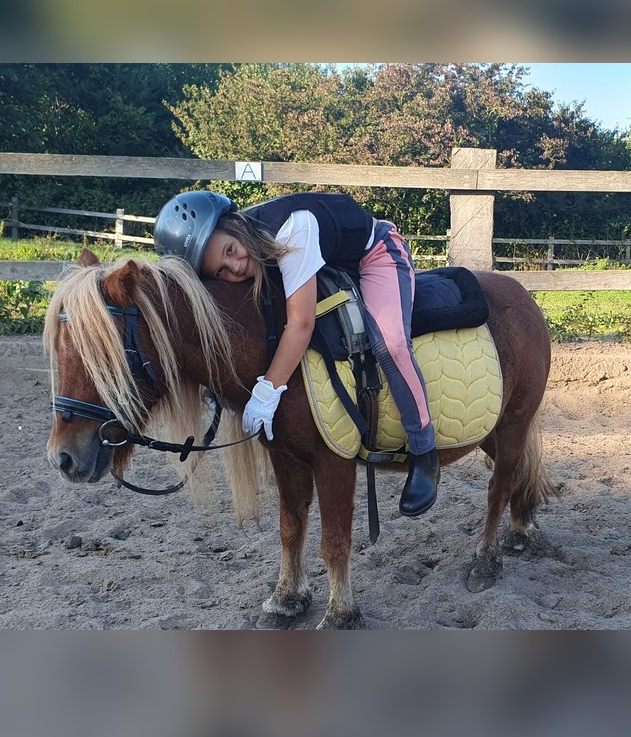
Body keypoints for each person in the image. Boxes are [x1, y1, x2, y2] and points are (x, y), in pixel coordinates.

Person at [153, 190, 439, 517]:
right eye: (221, 272)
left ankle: (424, 450)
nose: (236, 266)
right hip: (331, 262)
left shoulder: (291, 228)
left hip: (374, 254)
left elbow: (301, 323)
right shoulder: (245, 251)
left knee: (391, 343)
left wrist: (268, 390)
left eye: (230, 250)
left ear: (232, 224)